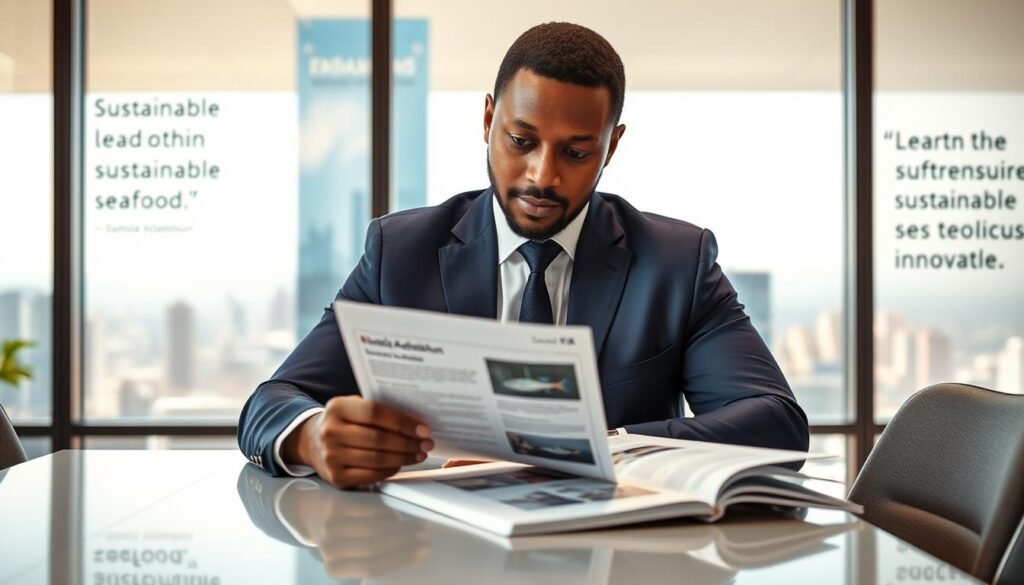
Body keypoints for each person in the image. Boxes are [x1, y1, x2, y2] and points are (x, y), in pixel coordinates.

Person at [238, 22, 809, 488]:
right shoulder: (401, 252)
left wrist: (597, 446)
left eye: (577, 151)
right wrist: (311, 435)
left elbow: (776, 423)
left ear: (612, 145)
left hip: (618, 557)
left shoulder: (676, 263)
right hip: (431, 555)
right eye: (521, 141)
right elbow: (270, 403)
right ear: (488, 120)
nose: (542, 175)